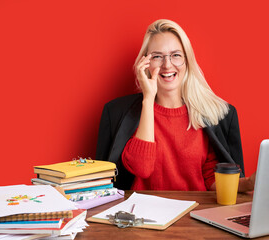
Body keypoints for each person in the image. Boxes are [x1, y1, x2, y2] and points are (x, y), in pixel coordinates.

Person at [96, 19, 255, 192]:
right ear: (146, 64)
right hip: (142, 214)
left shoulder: (214, 114)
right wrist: (148, 99)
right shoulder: (120, 113)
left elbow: (211, 178)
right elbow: (142, 168)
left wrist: (250, 183)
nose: (167, 65)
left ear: (187, 61)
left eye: (176, 55)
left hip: (195, 214)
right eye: (157, 56)